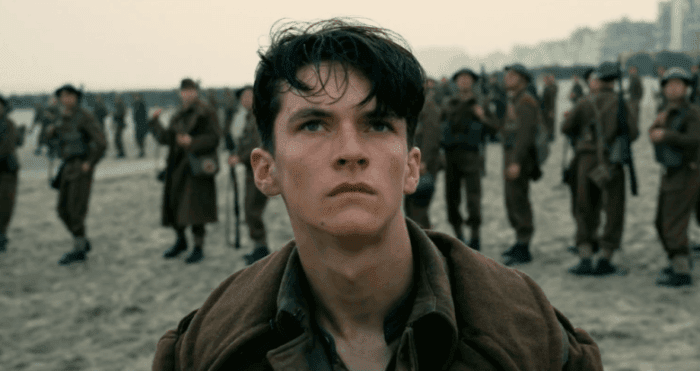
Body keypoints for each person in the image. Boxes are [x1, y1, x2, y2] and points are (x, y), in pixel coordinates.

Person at [152, 19, 603, 370]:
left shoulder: (527, 336)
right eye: (314, 125)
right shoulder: (209, 350)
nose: (351, 152)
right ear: (266, 171)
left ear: (411, 167)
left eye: (378, 124)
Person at [562, 62, 639, 276]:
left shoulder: (585, 102)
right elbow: (632, 133)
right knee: (613, 209)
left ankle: (585, 255)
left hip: (585, 160)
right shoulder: (620, 103)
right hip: (611, 162)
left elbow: (566, 128)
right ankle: (605, 257)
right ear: (614, 81)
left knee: (584, 206)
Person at [149, 78, 221, 264]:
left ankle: (198, 246)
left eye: (191, 90)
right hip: (177, 166)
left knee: (196, 208)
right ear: (180, 93)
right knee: (174, 204)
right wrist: (155, 122)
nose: (187, 94)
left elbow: (214, 138)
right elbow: (166, 139)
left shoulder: (206, 111)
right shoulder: (178, 115)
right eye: (184, 90)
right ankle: (180, 241)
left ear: (196, 91)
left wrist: (193, 143)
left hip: (196, 166)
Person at [650, 67, 700, 287]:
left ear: (687, 88)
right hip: (669, 172)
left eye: (678, 85)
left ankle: (681, 272)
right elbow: (654, 134)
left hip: (686, 172)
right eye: (669, 85)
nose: (673, 89)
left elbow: (694, 139)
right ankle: (677, 262)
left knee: (673, 223)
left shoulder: (692, 113)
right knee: (661, 221)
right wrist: (656, 128)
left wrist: (666, 135)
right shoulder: (666, 110)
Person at [46, 84, 107, 265]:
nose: (66, 99)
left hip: (81, 167)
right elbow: (52, 139)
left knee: (76, 209)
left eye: (69, 96)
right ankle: (82, 240)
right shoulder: (61, 118)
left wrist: (90, 163)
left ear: (76, 98)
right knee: (62, 210)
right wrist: (51, 131)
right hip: (66, 167)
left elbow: (101, 142)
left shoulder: (85, 117)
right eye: (62, 96)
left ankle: (79, 249)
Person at [440, 68, 498, 250]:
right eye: (460, 79)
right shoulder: (448, 103)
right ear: (456, 82)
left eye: (468, 78)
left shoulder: (482, 103)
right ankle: (458, 234)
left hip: (472, 155)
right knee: (452, 197)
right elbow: (440, 128)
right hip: (451, 156)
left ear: (473, 82)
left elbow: (494, 129)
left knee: (474, 198)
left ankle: (475, 236)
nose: (464, 81)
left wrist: (482, 117)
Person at [499, 63, 542, 266]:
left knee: (519, 199)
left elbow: (525, 136)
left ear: (522, 79)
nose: (507, 78)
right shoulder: (514, 99)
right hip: (511, 155)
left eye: (512, 75)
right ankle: (519, 240)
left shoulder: (525, 101)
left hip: (519, 158)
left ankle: (524, 244)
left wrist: (516, 162)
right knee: (511, 199)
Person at [228, 86, 271, 265]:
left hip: (261, 170)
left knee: (253, 210)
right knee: (249, 210)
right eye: (243, 97)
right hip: (251, 170)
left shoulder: (260, 118)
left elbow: (259, 146)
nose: (246, 100)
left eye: (249, 96)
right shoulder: (248, 118)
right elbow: (245, 143)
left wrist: (240, 157)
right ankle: (259, 247)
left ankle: (262, 250)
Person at [403, 80, 441, 229]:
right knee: (410, 205)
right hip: (413, 161)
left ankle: (425, 242)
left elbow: (432, 136)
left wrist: (423, 161)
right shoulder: (412, 105)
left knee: (419, 206)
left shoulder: (428, 106)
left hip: (423, 163)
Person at [0, 95, 20, 253]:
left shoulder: (9, 124)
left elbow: (6, 147)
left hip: (7, 170)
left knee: (5, 204)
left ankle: (2, 235)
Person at [542, 73, 558, 141]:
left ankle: (551, 136)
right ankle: (549, 136)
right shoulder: (546, 87)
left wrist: (551, 110)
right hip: (546, 108)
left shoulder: (550, 88)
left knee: (550, 123)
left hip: (550, 108)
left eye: (545, 79)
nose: (544, 80)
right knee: (547, 123)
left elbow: (551, 99)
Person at [132, 93, 149, 158]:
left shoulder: (141, 104)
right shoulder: (135, 104)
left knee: (141, 138)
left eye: (137, 97)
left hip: (142, 124)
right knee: (138, 138)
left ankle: (142, 151)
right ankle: (141, 151)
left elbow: (144, 114)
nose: (136, 98)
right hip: (138, 124)